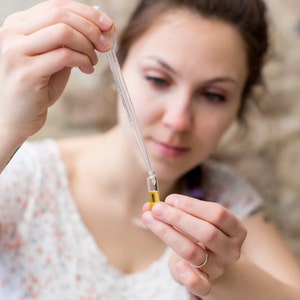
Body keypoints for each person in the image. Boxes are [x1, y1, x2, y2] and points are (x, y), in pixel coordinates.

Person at [0, 0, 300, 299]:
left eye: (213, 95)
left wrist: (229, 278)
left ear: (239, 107)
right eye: (158, 79)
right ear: (120, 66)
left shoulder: (228, 201)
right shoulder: (25, 179)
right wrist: (7, 126)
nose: (178, 120)